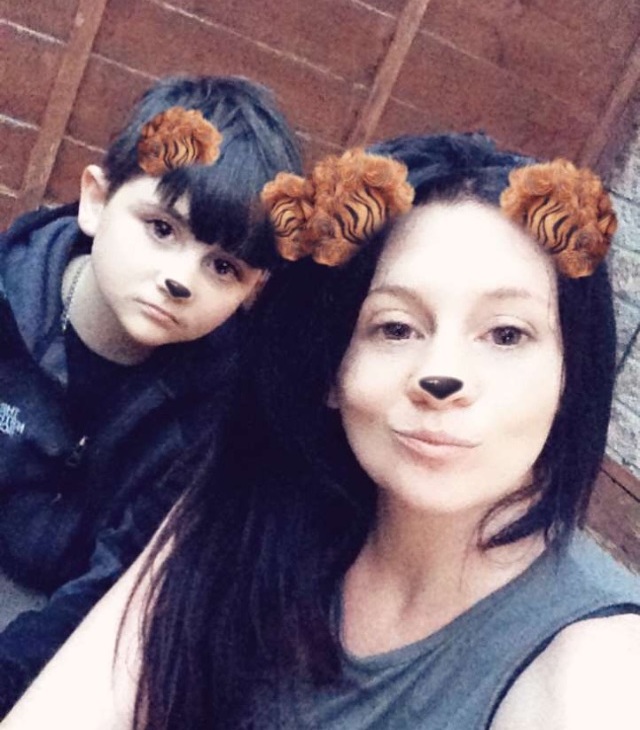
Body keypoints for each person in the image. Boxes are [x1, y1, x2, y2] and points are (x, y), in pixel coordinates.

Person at [5, 133, 640, 729]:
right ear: (331, 368)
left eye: (506, 334)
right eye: (395, 328)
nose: (442, 377)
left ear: (572, 373)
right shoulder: (249, 514)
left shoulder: (596, 669)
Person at [0, 73, 302, 713]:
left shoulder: (223, 409)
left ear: (251, 290)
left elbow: (121, 583)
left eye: (223, 266)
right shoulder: (7, 304)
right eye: (162, 229)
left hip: (76, 646)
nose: (181, 280)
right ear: (96, 201)